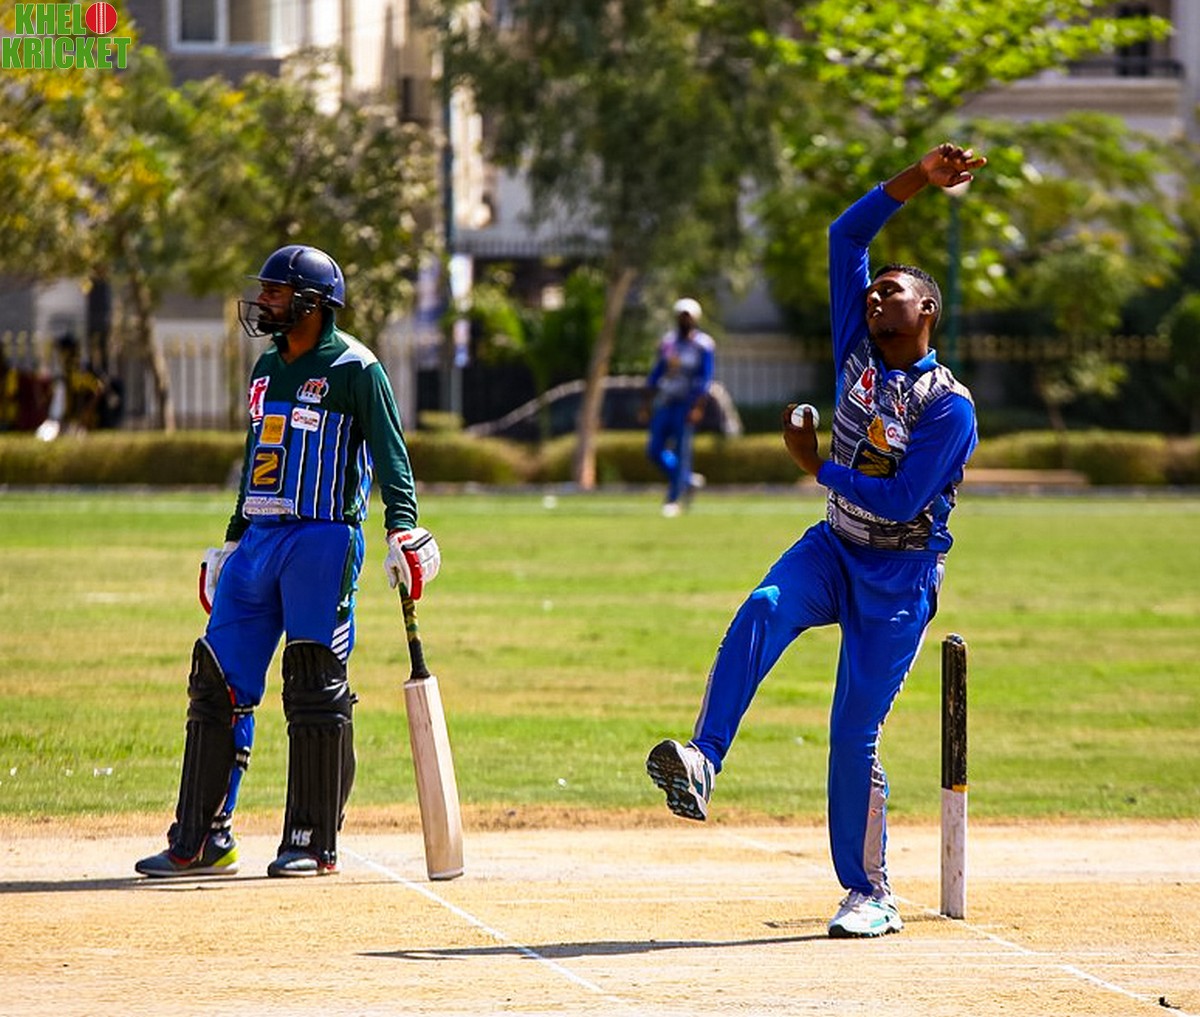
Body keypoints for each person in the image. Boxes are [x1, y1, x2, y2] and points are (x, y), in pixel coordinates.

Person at [646, 143, 985, 938]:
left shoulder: (950, 405)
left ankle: (871, 892)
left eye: (892, 290)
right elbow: (846, 235)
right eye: (872, 290)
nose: (874, 295)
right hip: (832, 547)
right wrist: (919, 178)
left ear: (927, 312)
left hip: (900, 575)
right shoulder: (857, 348)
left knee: (851, 731)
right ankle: (703, 758)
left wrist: (816, 466)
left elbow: (902, 497)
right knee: (763, 605)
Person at [136, 244, 441, 879]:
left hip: (323, 542)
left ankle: (312, 839)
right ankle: (202, 839)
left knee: (312, 681)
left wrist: (403, 528)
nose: (263, 301)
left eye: (275, 292)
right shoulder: (267, 368)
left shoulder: (357, 368)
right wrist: (231, 540)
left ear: (313, 303)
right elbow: (258, 458)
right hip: (258, 541)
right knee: (216, 679)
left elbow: (392, 456)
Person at [642, 297, 715, 516]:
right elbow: (657, 373)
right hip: (666, 401)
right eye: (681, 316)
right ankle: (686, 479)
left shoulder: (703, 344)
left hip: (686, 403)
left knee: (682, 451)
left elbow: (705, 378)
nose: (684, 320)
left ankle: (674, 498)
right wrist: (647, 401)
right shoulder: (668, 343)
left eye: (688, 316)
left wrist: (698, 406)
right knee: (654, 450)